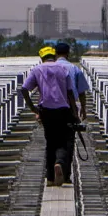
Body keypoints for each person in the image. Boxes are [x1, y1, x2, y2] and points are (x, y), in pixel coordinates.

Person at [20, 45, 77, 186]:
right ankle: (60, 163)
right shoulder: (63, 69)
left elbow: (24, 89)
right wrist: (75, 112)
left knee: (50, 142)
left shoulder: (37, 70)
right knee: (63, 141)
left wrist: (33, 108)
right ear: (54, 56)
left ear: (41, 58)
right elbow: (70, 92)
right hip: (63, 110)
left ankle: (50, 178)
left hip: (46, 111)